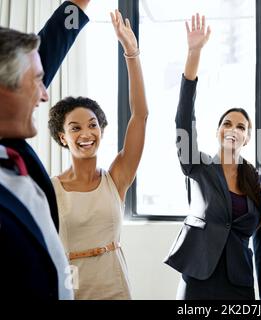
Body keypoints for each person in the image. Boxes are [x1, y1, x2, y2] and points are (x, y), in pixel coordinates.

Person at [164, 13, 261, 300]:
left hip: (239, 285)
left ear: (247, 138)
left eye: (241, 126)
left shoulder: (260, 182)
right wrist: (194, 54)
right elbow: (183, 120)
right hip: (198, 279)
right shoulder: (198, 166)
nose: (233, 129)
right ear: (217, 132)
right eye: (227, 123)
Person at [47, 10, 148, 300]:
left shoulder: (116, 178)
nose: (86, 133)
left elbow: (140, 116)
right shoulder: (50, 188)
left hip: (115, 285)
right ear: (62, 137)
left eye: (92, 125)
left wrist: (132, 53)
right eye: (75, 128)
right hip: (72, 286)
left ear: (101, 130)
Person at [0, 0, 89, 300]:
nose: (45, 95)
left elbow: (46, 50)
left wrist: (78, 5)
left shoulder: (11, 150)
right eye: (38, 80)